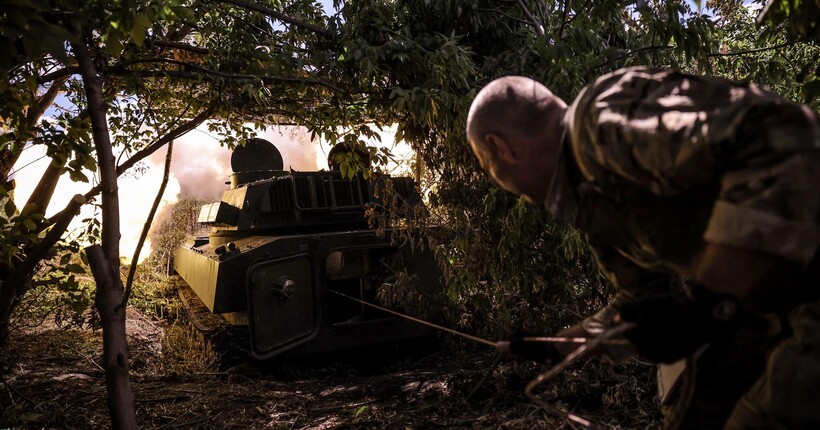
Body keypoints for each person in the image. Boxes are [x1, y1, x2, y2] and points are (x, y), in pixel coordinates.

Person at [466, 67, 820, 429]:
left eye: (486, 165)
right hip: (770, 315)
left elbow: (775, 131)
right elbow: (645, 296)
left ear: (500, 147)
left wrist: (712, 300)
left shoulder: (601, 122)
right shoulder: (587, 196)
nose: (498, 180)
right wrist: (563, 345)